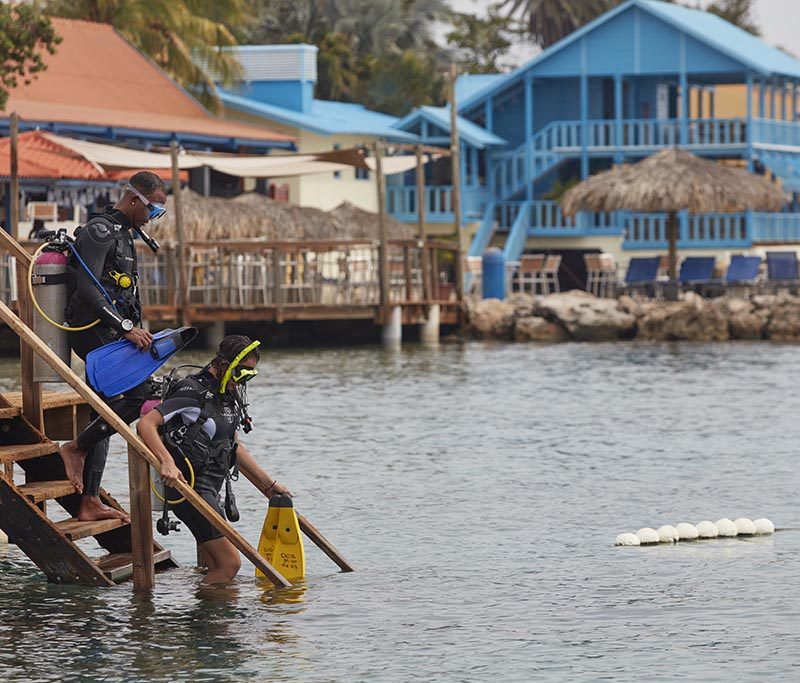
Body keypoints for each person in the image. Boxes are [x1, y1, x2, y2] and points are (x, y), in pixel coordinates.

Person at [137, 335, 291, 584]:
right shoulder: (191, 390)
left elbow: (234, 446)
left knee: (217, 566)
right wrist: (167, 461)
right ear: (223, 364)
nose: (242, 380)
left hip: (212, 488)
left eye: (249, 374)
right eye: (240, 372)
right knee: (229, 564)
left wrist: (269, 486)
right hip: (189, 489)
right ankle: (201, 620)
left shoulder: (228, 394)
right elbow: (146, 424)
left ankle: (212, 619)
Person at [59, 171, 167, 522]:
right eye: (152, 210)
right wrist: (124, 329)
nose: (152, 218)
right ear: (135, 199)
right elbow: (89, 292)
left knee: (105, 411)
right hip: (92, 330)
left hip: (114, 333)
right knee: (137, 395)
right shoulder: (100, 231)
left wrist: (132, 328)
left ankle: (89, 501)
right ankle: (75, 448)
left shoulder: (125, 234)